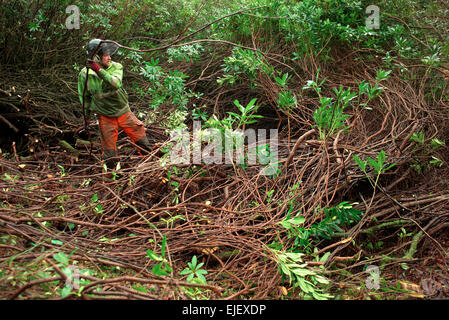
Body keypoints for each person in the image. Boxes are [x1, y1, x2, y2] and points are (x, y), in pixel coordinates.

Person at [78, 39, 151, 179]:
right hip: (105, 117)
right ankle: (110, 181)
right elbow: (85, 98)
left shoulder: (116, 67)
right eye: (106, 55)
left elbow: (115, 83)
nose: (109, 57)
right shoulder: (84, 74)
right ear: (96, 57)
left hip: (124, 112)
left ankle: (153, 169)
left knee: (143, 142)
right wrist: (86, 118)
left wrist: (98, 69)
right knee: (109, 154)